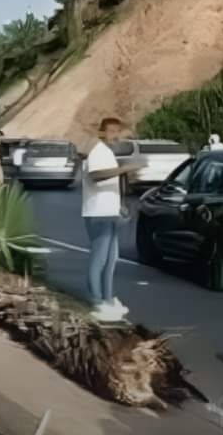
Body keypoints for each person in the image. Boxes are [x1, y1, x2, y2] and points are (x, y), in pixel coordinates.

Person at [82, 117, 144, 322]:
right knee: (99, 258)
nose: (115, 136)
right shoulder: (97, 152)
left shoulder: (108, 153)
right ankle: (96, 300)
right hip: (97, 213)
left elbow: (112, 182)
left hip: (109, 211)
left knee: (111, 259)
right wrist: (125, 168)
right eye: (111, 132)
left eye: (118, 131)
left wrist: (120, 205)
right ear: (102, 133)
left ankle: (108, 299)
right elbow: (97, 175)